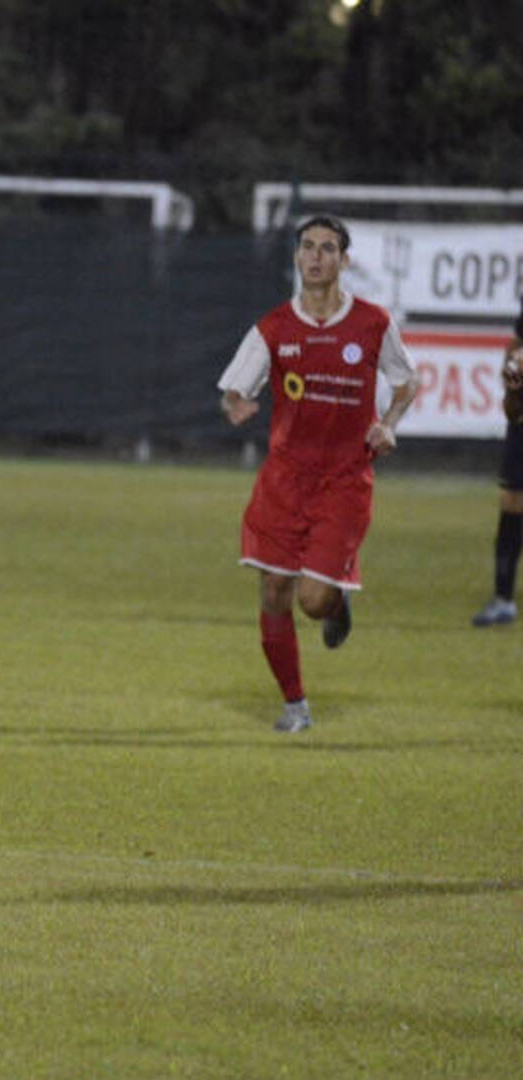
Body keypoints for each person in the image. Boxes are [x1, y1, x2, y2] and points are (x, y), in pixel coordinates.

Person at [218, 214, 415, 734]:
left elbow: (406, 382)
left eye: (328, 248)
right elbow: (234, 389)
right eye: (308, 246)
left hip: (346, 483)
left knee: (311, 601)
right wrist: (234, 403)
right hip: (284, 482)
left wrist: (389, 424)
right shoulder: (273, 328)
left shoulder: (372, 323)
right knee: (273, 590)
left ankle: (334, 601)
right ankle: (295, 704)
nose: (316, 256)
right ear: (297, 256)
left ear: (344, 261)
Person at [469, 298, 523, 627]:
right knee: (511, 505)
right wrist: (514, 388)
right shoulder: (517, 349)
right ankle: (503, 599)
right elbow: (512, 412)